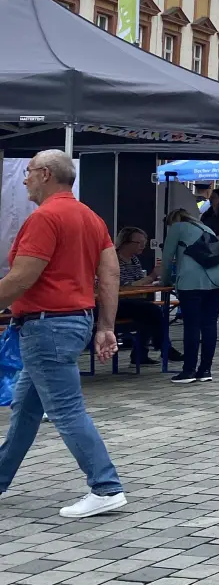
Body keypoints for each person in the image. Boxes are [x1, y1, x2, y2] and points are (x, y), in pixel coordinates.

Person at [0, 149, 126, 518]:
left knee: (66, 410)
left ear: (45, 174)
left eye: (28, 172)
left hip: (46, 325)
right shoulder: (90, 217)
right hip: (73, 320)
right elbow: (111, 273)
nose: (25, 179)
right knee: (26, 410)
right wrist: (105, 326)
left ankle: (106, 486)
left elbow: (22, 277)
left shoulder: (45, 218)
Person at [160, 208, 219, 384]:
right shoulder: (206, 228)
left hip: (191, 283)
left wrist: (165, 281)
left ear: (172, 220)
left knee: (192, 326)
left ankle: (188, 371)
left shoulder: (176, 228)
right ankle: (205, 370)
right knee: (209, 325)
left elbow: (167, 258)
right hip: (217, 281)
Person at [113, 227, 180, 366]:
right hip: (114, 303)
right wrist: (152, 276)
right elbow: (124, 286)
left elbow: (138, 282)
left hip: (131, 300)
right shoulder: (114, 260)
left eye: (145, 242)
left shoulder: (134, 260)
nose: (143, 246)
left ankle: (141, 354)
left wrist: (155, 282)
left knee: (149, 314)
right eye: (139, 243)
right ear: (125, 242)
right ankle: (164, 348)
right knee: (152, 311)